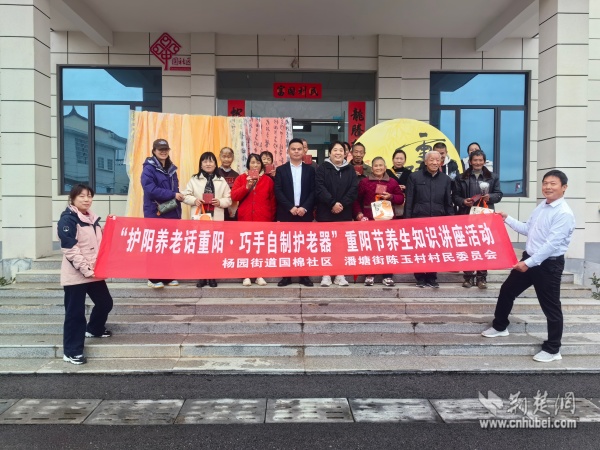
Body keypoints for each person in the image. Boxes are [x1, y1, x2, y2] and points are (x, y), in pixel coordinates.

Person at [482, 170, 575, 363]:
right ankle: (500, 326)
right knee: (507, 290)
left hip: (548, 265)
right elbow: (527, 229)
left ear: (564, 187)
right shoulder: (542, 206)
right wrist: (506, 218)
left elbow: (551, 245)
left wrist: (528, 263)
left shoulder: (564, 213)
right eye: (545, 183)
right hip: (530, 259)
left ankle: (553, 349)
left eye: (553, 184)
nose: (548, 187)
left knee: (551, 307)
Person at [57, 185, 113, 365]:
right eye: (82, 196)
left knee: (105, 303)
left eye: (89, 196)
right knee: (75, 313)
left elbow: (101, 243)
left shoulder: (92, 219)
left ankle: (95, 328)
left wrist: (112, 226)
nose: (86, 200)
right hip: (77, 274)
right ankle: (71, 352)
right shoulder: (68, 220)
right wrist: (86, 269)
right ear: (72, 198)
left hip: (94, 272)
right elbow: (70, 249)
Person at [453, 149, 503, 289]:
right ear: (470, 161)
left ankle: (482, 277)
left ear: (484, 162)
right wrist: (463, 201)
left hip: (484, 215)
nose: (478, 163)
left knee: (483, 246)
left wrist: (490, 197)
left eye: (480, 160)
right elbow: (454, 196)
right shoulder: (461, 177)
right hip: (466, 214)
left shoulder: (493, 177)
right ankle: (468, 277)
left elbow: (499, 194)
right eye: (475, 160)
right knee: (467, 246)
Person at [404, 150, 454, 288]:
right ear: (425, 162)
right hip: (419, 219)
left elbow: (448, 202)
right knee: (419, 249)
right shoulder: (414, 177)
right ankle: (420, 277)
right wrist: (407, 220)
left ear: (441, 162)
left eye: (437, 160)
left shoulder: (445, 179)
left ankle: (432, 277)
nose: (434, 162)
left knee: (435, 249)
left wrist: (451, 221)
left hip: (438, 220)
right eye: (431, 160)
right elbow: (409, 200)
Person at [182, 151, 232, 288]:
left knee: (214, 249)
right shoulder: (194, 179)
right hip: (200, 219)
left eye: (211, 161)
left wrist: (220, 202)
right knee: (201, 249)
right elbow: (185, 195)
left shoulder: (221, 180)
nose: (208, 164)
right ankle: (202, 276)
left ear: (215, 164)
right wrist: (195, 200)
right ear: (201, 164)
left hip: (216, 219)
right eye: (205, 161)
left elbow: (229, 199)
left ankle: (212, 276)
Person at [353, 157, 404, 287]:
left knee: (387, 248)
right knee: (370, 248)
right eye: (376, 166)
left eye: (381, 165)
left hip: (387, 221)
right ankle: (370, 274)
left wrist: (391, 197)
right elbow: (356, 200)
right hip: (370, 220)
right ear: (372, 168)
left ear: (385, 167)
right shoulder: (364, 182)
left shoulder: (392, 182)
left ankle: (387, 276)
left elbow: (400, 199)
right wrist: (359, 214)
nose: (378, 168)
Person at [315, 141, 358, 287]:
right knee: (326, 245)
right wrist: (332, 203)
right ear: (330, 152)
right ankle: (326, 275)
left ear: (345, 153)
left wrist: (341, 204)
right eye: (335, 150)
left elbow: (353, 189)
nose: (338, 153)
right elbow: (319, 188)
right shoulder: (322, 168)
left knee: (341, 245)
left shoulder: (350, 170)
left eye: (341, 150)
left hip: (344, 213)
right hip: (325, 213)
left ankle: (340, 274)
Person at [141, 138, 183, 289]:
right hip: (155, 212)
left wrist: (178, 196)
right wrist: (173, 194)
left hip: (171, 211)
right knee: (155, 245)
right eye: (160, 149)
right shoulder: (149, 168)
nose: (163, 152)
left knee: (168, 245)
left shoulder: (171, 169)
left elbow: (175, 189)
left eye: (165, 149)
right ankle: (153, 278)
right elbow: (150, 189)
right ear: (154, 151)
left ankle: (167, 276)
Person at [275, 138, 316, 287]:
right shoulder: (281, 170)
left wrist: (304, 207)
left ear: (304, 151)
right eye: (293, 149)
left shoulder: (310, 170)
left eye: (299, 149)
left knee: (304, 246)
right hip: (287, 213)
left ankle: (304, 276)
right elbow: (278, 191)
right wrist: (290, 207)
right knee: (287, 245)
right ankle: (286, 276)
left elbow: (314, 191)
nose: (296, 151)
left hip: (304, 213)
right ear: (288, 151)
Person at [231, 153, 276, 286]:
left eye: (257, 163)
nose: (255, 165)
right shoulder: (241, 178)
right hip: (245, 218)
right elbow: (234, 196)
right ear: (248, 164)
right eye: (252, 162)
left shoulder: (268, 180)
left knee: (260, 248)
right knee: (245, 247)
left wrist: (272, 219)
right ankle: (246, 275)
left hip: (263, 218)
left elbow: (272, 201)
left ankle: (259, 274)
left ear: (261, 165)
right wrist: (246, 186)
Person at [217, 146, 239, 221]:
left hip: (232, 207)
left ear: (233, 158)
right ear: (220, 157)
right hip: (217, 206)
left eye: (229, 157)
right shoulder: (215, 173)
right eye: (224, 156)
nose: (226, 159)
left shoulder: (236, 175)